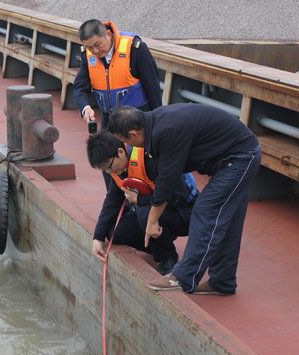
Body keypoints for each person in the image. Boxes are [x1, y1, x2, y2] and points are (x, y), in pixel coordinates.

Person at [106, 105, 261, 295]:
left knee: (205, 210)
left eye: (125, 141)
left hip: (239, 158)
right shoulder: (155, 125)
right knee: (229, 222)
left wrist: (152, 220)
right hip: (228, 159)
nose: (129, 147)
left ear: (134, 133)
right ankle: (223, 281)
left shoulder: (168, 130)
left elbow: (167, 181)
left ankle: (183, 277)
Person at [86, 132, 198, 274]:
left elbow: (178, 196)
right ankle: (161, 241)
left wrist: (140, 200)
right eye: (104, 170)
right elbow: (112, 202)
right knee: (115, 232)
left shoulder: (149, 158)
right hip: (156, 213)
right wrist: (98, 237)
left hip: (185, 212)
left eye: (108, 166)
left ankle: (167, 258)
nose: (109, 172)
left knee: (145, 214)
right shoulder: (118, 170)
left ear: (120, 152)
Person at [73, 19, 162, 130]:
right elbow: (79, 88)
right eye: (90, 47)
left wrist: (157, 121)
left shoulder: (135, 49)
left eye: (98, 44)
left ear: (109, 35)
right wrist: (86, 108)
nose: (95, 51)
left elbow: (153, 87)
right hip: (108, 121)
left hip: (137, 120)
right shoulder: (88, 56)